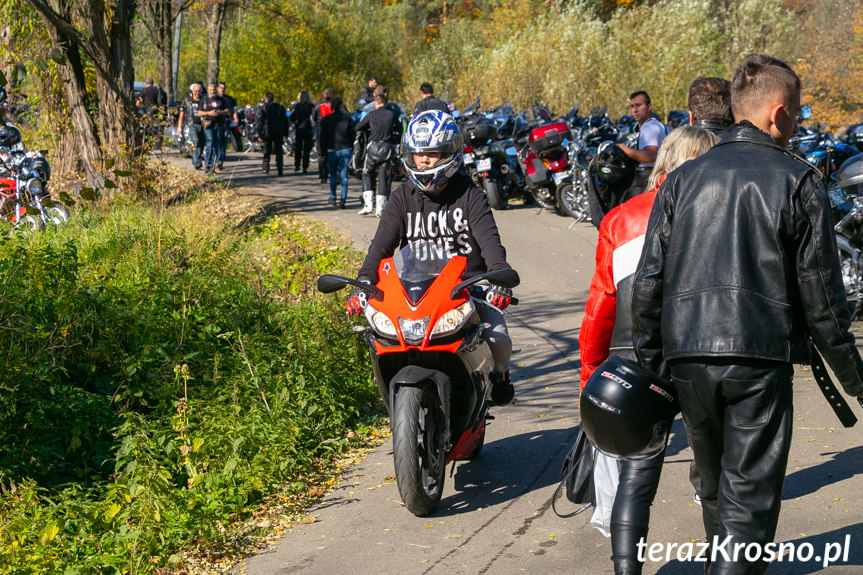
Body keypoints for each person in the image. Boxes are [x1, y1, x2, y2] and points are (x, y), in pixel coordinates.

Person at [631, 53, 863, 575]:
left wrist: (656, 371)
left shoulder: (683, 179)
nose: (798, 124)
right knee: (748, 506)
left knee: (716, 493)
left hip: (687, 356)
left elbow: (647, 285)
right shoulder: (798, 181)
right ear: (779, 113)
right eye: (798, 114)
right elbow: (824, 300)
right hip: (758, 360)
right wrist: (855, 377)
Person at [579, 126, 717, 575]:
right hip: (703, 355)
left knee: (636, 480)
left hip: (633, 359)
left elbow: (600, 307)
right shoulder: (719, 213)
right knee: (715, 476)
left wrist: (591, 374)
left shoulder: (621, 219)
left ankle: (627, 571)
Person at [347, 110, 516, 406]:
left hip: (464, 290)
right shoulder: (402, 197)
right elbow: (380, 247)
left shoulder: (470, 195)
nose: (424, 160)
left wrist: (499, 276)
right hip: (414, 291)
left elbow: (490, 242)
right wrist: (363, 283)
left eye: (433, 152)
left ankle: (500, 375)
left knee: (498, 335)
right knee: (377, 339)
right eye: (417, 153)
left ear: (450, 151)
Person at [355, 85, 403, 217]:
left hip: (373, 148)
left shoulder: (371, 114)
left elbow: (358, 127)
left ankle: (368, 205)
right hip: (387, 148)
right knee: (384, 177)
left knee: (367, 173)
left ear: (375, 103)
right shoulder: (391, 114)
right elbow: (400, 130)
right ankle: (380, 209)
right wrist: (393, 139)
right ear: (385, 103)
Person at [617, 90, 666, 204]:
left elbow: (649, 156)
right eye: (632, 106)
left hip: (646, 178)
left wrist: (623, 149)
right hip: (654, 177)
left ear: (649, 107)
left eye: (638, 105)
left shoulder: (650, 127)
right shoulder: (657, 124)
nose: (635, 110)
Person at [318, 97, 355, 208]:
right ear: (341, 105)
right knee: (344, 175)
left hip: (332, 149)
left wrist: (322, 152)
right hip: (345, 148)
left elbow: (322, 137)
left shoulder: (326, 119)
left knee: (333, 175)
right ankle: (343, 199)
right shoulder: (347, 118)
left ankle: (333, 197)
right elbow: (353, 135)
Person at [198, 82, 229, 173]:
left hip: (219, 125)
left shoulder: (221, 100)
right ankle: (207, 164)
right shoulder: (204, 99)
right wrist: (209, 113)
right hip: (208, 125)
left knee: (218, 145)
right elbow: (199, 112)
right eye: (211, 90)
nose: (213, 91)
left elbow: (227, 110)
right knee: (210, 143)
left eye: (214, 90)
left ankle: (213, 165)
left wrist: (221, 112)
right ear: (207, 90)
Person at [256, 92, 287, 176]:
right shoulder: (279, 107)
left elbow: (260, 122)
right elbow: (285, 121)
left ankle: (266, 168)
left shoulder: (263, 108)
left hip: (267, 132)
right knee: (278, 151)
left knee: (266, 150)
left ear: (266, 99)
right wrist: (285, 133)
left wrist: (259, 134)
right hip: (278, 131)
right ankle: (279, 167)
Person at [177, 83, 205, 170]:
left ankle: (196, 159)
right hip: (191, 124)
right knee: (195, 141)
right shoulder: (186, 101)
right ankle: (196, 161)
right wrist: (179, 126)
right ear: (192, 91)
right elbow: (181, 114)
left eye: (199, 91)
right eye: (195, 91)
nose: (197, 93)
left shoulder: (204, 100)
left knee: (201, 143)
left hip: (202, 125)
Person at [313, 87, 335, 183]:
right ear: (332, 95)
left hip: (321, 131)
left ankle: (323, 176)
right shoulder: (336, 104)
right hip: (334, 131)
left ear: (324, 95)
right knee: (334, 152)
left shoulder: (318, 105)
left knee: (322, 154)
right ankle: (335, 174)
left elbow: (313, 117)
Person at [291, 91, 315, 173]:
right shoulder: (311, 106)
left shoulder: (297, 106)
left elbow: (292, 117)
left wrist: (296, 122)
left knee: (298, 148)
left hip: (299, 128)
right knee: (306, 149)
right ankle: (305, 166)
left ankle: (297, 165)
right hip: (308, 129)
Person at [217, 81, 239, 159]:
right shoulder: (215, 98)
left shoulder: (229, 99)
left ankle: (221, 158)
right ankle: (218, 157)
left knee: (224, 139)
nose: (222, 89)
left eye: (224, 88)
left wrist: (235, 118)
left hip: (226, 122)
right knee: (218, 140)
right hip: (216, 122)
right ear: (217, 88)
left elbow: (233, 110)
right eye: (221, 88)